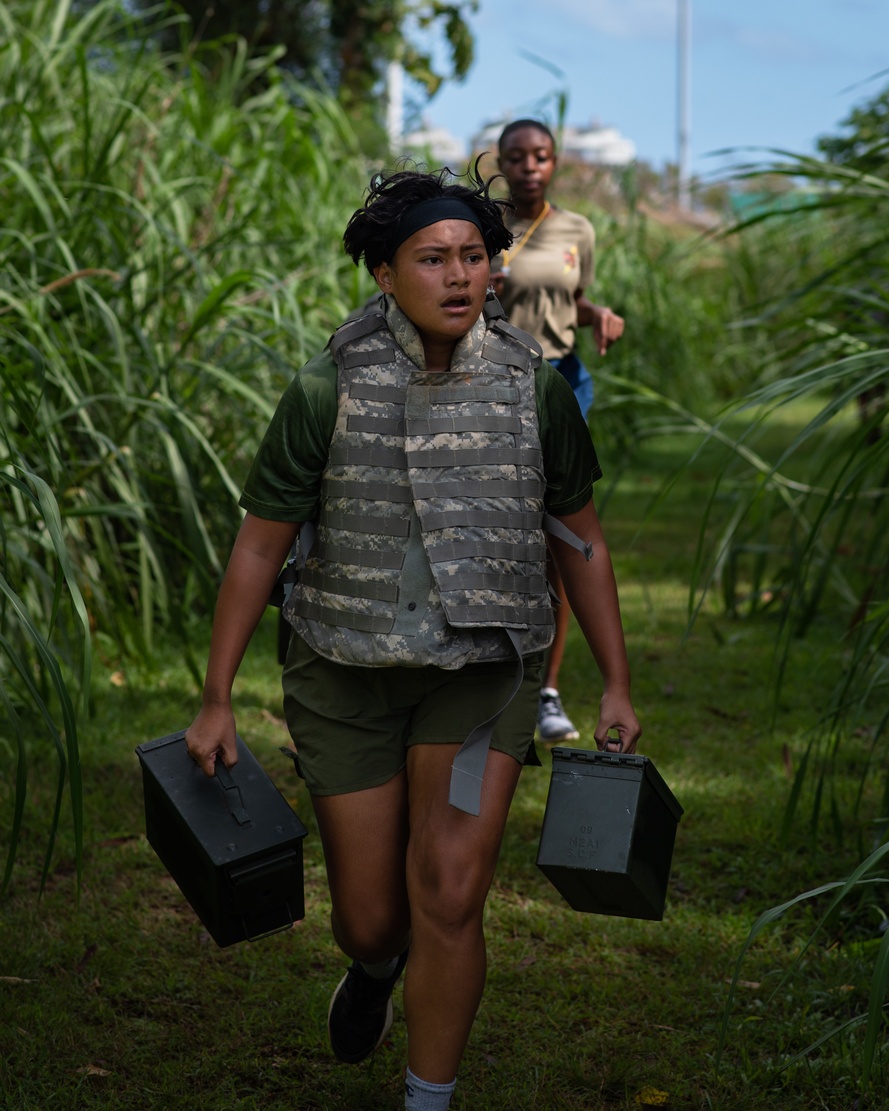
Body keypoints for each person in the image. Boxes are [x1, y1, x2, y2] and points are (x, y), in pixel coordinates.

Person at [184, 162, 641, 1111]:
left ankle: (427, 1097)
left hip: (482, 672)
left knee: (449, 889)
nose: (460, 275)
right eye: (433, 258)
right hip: (343, 670)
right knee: (371, 916)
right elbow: (261, 546)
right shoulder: (328, 387)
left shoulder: (533, 389)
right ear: (385, 275)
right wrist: (218, 694)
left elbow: (580, 540)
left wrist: (614, 685)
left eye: (475, 255)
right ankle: (374, 968)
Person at [491, 118, 625, 745]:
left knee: (556, 536)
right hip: (495, 385)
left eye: (540, 156)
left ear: (554, 162)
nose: (529, 167)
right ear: (502, 162)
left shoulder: (576, 230)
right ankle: (484, 676)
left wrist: (598, 313)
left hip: (563, 385)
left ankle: (546, 689)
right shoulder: (479, 226)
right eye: (516, 157)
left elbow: (568, 299)